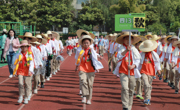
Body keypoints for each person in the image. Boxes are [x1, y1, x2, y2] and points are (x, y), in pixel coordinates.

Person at [113, 32, 141, 110]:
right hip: (123, 71)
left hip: (132, 72)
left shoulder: (134, 49)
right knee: (125, 88)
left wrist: (133, 66)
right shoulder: (121, 48)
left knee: (131, 90)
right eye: (126, 39)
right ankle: (125, 106)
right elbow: (119, 57)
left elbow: (138, 60)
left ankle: (129, 105)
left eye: (130, 39)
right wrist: (126, 51)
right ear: (123, 40)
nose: (128, 41)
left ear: (132, 41)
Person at [75, 35, 103, 105]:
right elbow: (77, 58)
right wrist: (76, 66)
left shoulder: (91, 50)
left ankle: (89, 99)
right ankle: (84, 96)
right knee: (83, 81)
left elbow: (94, 58)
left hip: (90, 69)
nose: (86, 44)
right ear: (82, 43)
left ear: (90, 43)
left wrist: (97, 67)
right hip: (82, 68)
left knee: (90, 85)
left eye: (87, 43)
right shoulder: (79, 50)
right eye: (84, 43)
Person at [139, 40, 161, 105]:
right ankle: (146, 99)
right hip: (143, 71)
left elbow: (157, 62)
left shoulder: (154, 54)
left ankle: (147, 98)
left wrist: (159, 70)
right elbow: (138, 63)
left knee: (149, 86)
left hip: (151, 72)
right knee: (146, 84)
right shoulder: (141, 54)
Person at [14, 40, 34, 104]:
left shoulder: (29, 54)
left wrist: (30, 71)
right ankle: (20, 96)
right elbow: (16, 63)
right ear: (20, 48)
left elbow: (32, 63)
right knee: (20, 83)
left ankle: (26, 97)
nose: (24, 48)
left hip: (27, 71)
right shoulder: (18, 54)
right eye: (22, 47)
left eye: (25, 47)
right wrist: (15, 72)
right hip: (20, 71)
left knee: (27, 85)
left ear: (27, 47)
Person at [134, 35, 146, 100]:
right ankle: (133, 90)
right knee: (135, 81)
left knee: (140, 81)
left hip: (141, 69)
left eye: (139, 45)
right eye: (137, 45)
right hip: (135, 69)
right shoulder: (134, 52)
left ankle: (139, 93)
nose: (138, 46)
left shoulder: (143, 52)